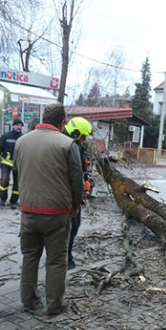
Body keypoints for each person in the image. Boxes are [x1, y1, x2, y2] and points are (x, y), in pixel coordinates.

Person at [13, 103, 83, 315]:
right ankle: (54, 305)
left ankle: (29, 300)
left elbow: (18, 171)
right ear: (63, 123)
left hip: (28, 210)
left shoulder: (21, 141)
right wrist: (75, 204)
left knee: (30, 256)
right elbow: (76, 180)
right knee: (56, 260)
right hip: (57, 214)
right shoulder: (67, 144)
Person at [63, 116, 93, 270]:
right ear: (75, 133)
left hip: (65, 194)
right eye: (83, 136)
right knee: (71, 226)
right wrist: (76, 201)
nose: (84, 139)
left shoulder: (73, 145)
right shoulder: (70, 146)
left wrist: (86, 177)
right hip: (68, 195)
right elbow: (74, 175)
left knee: (70, 227)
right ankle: (65, 258)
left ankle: (62, 255)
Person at [0, 118, 24, 209]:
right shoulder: (6, 136)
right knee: (4, 180)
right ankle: (3, 199)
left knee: (17, 184)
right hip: (6, 163)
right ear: (13, 126)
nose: (19, 127)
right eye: (17, 125)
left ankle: (13, 201)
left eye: (21, 125)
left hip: (18, 164)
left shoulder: (23, 138)